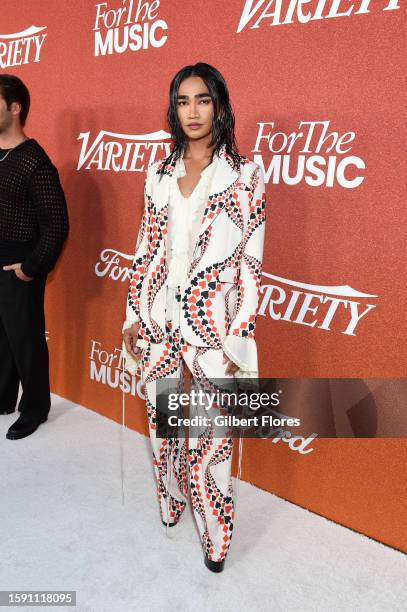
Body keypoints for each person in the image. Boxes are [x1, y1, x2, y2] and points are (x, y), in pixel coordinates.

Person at [122, 62, 266, 572]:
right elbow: (145, 247)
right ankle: (170, 502)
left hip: (212, 330)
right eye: (183, 101)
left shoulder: (245, 174)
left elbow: (251, 260)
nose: (193, 111)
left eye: (202, 99)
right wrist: (135, 315)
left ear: (220, 105)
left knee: (212, 439)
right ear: (173, 110)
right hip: (159, 320)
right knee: (164, 426)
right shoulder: (157, 172)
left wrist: (238, 336)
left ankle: (216, 534)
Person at [0, 74, 69, 440]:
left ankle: (35, 408)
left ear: (15, 108)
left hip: (18, 269)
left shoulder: (33, 161)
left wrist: (29, 269)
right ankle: (3, 398)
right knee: (3, 338)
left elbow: (57, 224)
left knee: (26, 340)